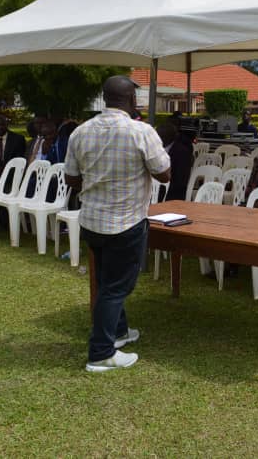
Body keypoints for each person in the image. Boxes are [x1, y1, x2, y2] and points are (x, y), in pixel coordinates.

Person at [64, 76, 171, 373]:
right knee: (116, 287)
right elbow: (164, 174)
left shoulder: (80, 132)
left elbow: (71, 179)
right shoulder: (142, 132)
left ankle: (119, 333)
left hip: (92, 220)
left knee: (105, 280)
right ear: (132, 101)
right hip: (126, 222)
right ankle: (101, 352)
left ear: (104, 98)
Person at [0, 115, 26, 188]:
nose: (0, 127)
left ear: (7, 125)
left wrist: (4, 168)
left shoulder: (18, 139)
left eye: (2, 125)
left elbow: (19, 159)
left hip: (11, 170)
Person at [157, 122, 193, 201]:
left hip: (172, 195)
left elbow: (180, 181)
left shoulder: (182, 152)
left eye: (161, 135)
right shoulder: (156, 149)